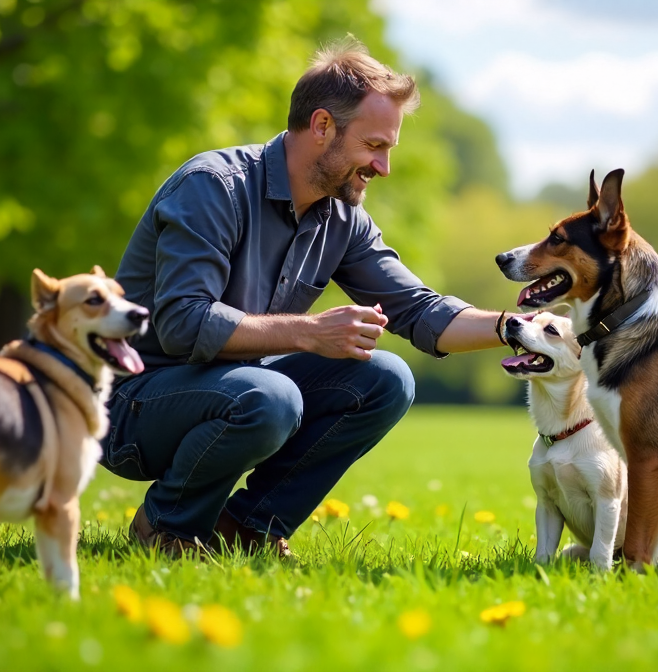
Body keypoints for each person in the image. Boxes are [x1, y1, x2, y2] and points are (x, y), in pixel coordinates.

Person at [105, 38, 512, 557]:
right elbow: (185, 323)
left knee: (386, 380)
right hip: (134, 403)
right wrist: (311, 333)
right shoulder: (213, 187)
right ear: (322, 126)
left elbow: (421, 311)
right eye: (374, 146)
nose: (383, 167)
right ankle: (166, 528)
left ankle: (246, 530)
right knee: (273, 398)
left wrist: (521, 325)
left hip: (238, 392)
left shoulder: (341, 219)